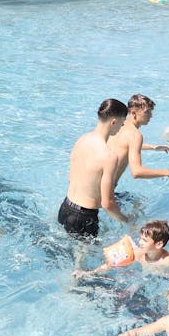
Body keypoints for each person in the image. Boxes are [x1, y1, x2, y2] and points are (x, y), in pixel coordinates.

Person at [100, 94, 169, 223]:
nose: (151, 116)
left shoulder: (118, 126)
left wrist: (152, 147)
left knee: (134, 201)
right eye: (147, 112)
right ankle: (134, 233)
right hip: (106, 192)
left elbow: (121, 146)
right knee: (135, 212)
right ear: (133, 112)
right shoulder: (136, 135)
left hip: (95, 186)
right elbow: (137, 172)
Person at [59, 98, 127, 237]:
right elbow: (107, 204)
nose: (122, 127)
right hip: (83, 218)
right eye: (122, 123)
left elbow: (70, 178)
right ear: (114, 122)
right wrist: (127, 221)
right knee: (83, 258)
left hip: (65, 208)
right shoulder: (109, 157)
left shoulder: (82, 139)